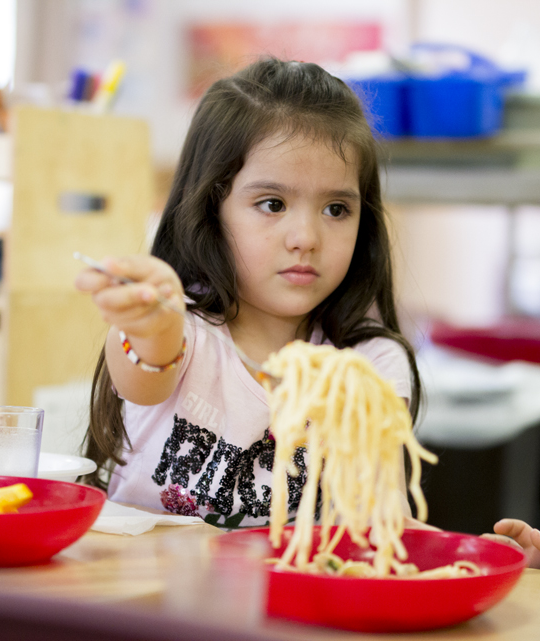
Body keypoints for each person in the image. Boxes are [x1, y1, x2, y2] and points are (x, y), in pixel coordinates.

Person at [74, 57, 540, 566]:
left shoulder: (371, 361)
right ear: (212, 208)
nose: (306, 239)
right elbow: (144, 375)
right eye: (272, 204)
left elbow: (374, 523)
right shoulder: (180, 333)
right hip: (137, 592)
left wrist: (471, 558)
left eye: (336, 209)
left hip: (285, 608)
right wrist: (149, 323)